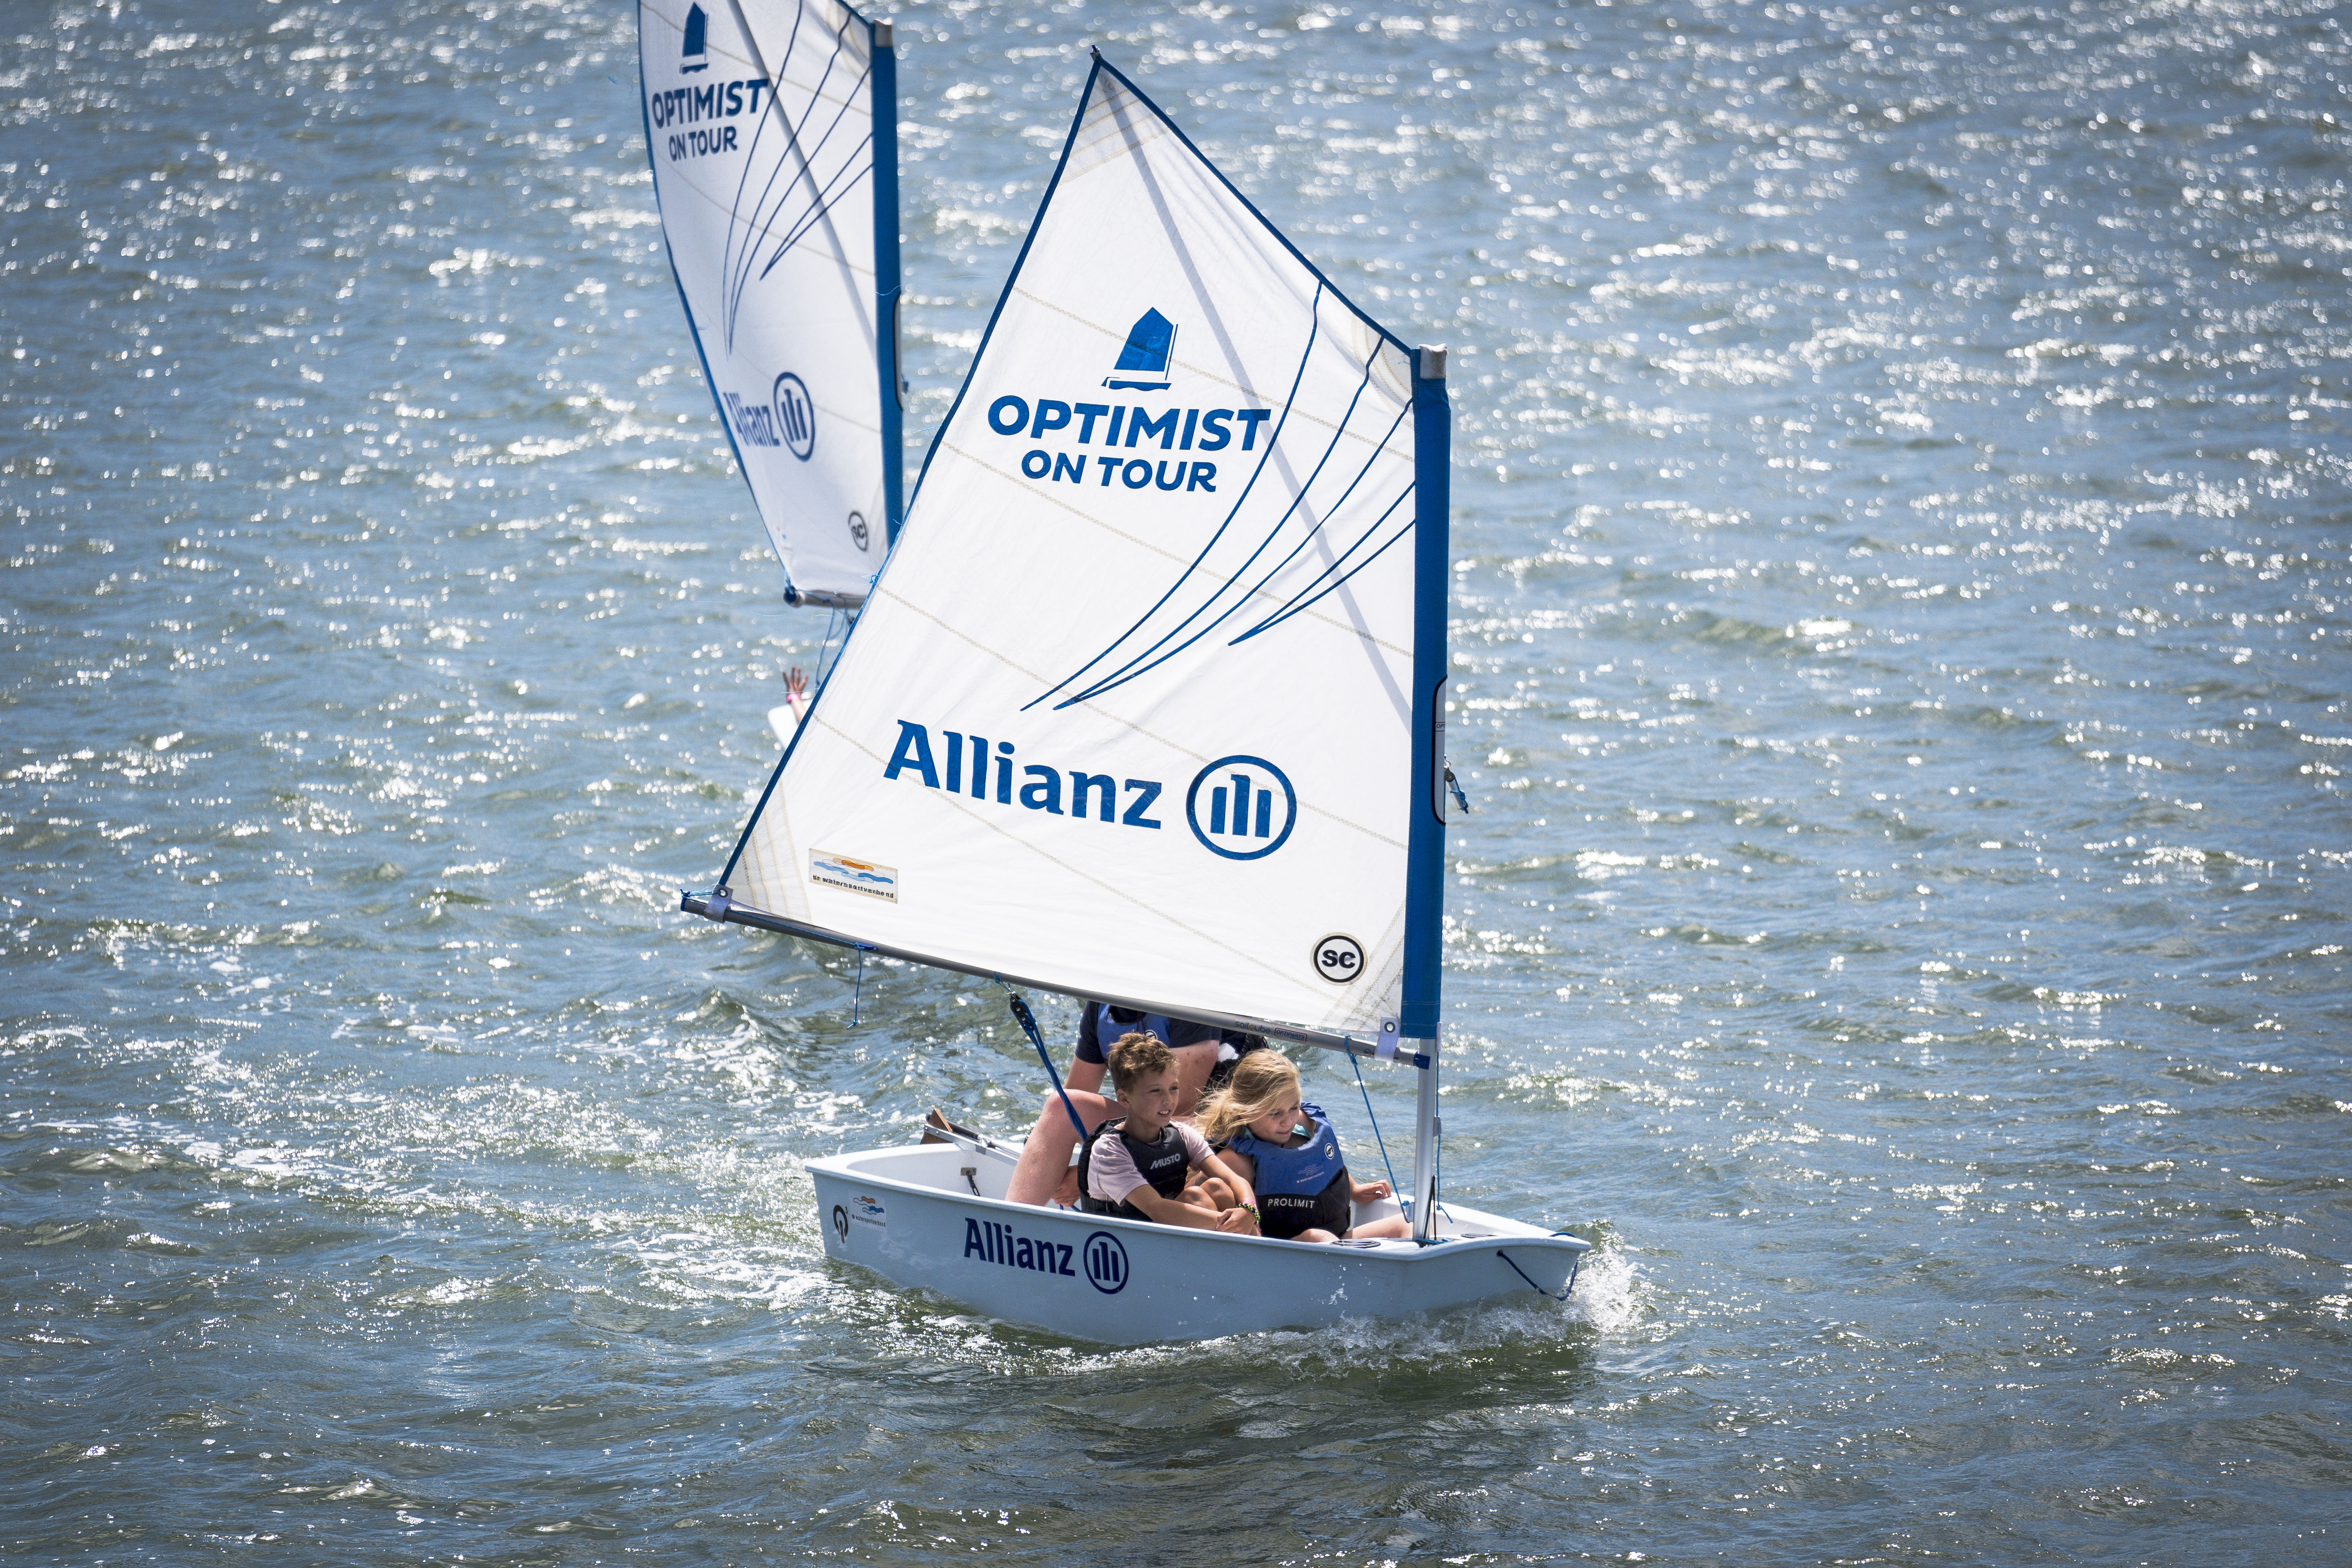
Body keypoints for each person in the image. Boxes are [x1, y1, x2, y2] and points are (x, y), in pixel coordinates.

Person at [1003, 1002, 1227, 1207]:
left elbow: (1175, 1116)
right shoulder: (1100, 1003)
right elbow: (1074, 1102)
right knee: (1060, 1107)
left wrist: (1091, 1173)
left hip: (1202, 1131)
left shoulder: (1187, 1003)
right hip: (1144, 1121)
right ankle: (1013, 1223)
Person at [1192, 1052, 1411, 1243]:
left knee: (1411, 1224)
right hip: (1287, 1254)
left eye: (1293, 1107)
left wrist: (1354, 1190)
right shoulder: (1237, 1161)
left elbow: (1323, 1159)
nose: (1288, 1121)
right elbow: (1199, 1197)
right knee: (1318, 1237)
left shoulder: (1305, 1123)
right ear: (1245, 1112)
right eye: (1275, 1113)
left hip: (1337, 1238)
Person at [1077, 1033, 1259, 1234]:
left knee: (1217, 1187)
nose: (1169, 1100)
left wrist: (1249, 1210)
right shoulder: (1108, 1151)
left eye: (1174, 1088)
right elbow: (1157, 1209)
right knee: (1195, 1198)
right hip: (1128, 1242)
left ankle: (1252, 1249)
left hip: (1169, 1236)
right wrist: (1232, 1222)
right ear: (1125, 1099)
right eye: (1156, 1091)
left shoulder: (1182, 1134)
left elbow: (1233, 1179)